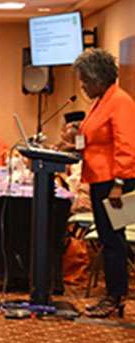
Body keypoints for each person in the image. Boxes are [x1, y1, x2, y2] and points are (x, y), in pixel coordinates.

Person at [72, 49, 135, 318]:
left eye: (86, 80)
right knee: (109, 240)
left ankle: (115, 297)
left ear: (100, 77)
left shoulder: (120, 102)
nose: (84, 86)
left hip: (114, 183)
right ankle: (113, 295)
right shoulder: (102, 100)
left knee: (113, 242)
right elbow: (92, 137)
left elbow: (127, 145)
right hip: (99, 179)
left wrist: (119, 182)